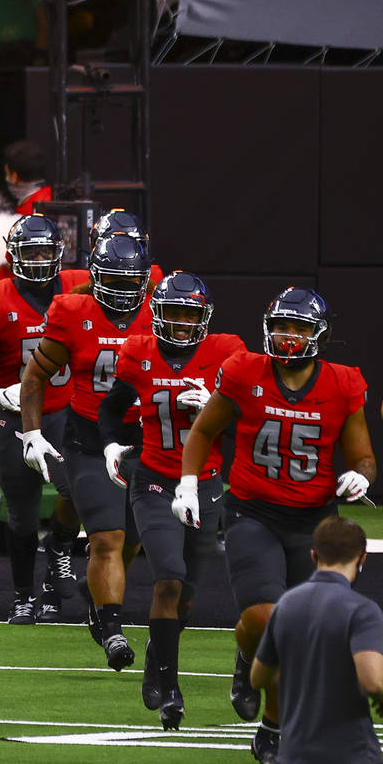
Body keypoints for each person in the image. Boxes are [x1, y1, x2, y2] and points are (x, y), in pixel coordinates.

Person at [178, 286, 375, 764]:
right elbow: (204, 429)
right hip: (253, 511)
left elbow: (364, 456)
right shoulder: (245, 371)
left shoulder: (342, 382)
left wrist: (358, 475)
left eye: (300, 327)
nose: (289, 337)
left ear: (318, 334)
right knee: (264, 619)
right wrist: (187, 481)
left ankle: (273, 723)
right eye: (282, 326)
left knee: (303, 633)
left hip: (313, 520)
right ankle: (248, 658)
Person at [97, 272, 246, 729]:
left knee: (188, 599)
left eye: (190, 314)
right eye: (174, 313)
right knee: (169, 579)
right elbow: (110, 406)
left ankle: (154, 659)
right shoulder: (138, 353)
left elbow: (251, 417)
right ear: (158, 314)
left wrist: (221, 404)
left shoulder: (226, 353)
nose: (182, 323)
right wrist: (110, 444)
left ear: (204, 317)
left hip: (207, 483)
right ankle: (172, 690)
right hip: (156, 479)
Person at [20, 233, 153, 670]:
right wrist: (32, 433)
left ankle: (97, 601)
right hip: (90, 441)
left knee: (133, 543)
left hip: (144, 443)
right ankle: (113, 632)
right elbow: (35, 375)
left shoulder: (160, 314)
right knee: (107, 538)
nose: (121, 289)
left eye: (130, 280)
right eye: (113, 278)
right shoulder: (74, 312)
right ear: (96, 276)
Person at [0, 215, 88, 624]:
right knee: (23, 513)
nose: (36, 260)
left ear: (58, 254)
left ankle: (58, 560)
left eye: (44, 251)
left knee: (79, 492)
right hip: (14, 417)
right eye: (28, 251)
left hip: (66, 411)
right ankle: (22, 596)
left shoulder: (79, 286)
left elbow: (144, 281)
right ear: (12, 255)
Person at [251, 516, 383, 764]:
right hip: (350, 753)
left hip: (294, 753)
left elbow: (258, 677)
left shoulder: (285, 606)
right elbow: (373, 681)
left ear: (314, 556)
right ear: (362, 558)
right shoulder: (363, 611)